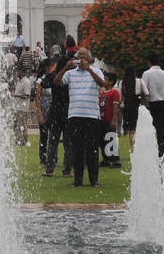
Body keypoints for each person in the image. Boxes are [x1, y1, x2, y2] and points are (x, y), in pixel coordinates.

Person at [58, 47, 108, 187]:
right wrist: (65, 68)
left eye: (84, 56)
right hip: (75, 115)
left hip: (92, 115)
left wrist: (89, 70)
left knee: (92, 149)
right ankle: (77, 180)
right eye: (79, 56)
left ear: (89, 59)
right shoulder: (71, 73)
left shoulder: (96, 71)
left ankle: (94, 180)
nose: (82, 58)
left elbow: (103, 84)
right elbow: (57, 82)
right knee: (77, 149)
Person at [41, 54, 71, 177]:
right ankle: (67, 169)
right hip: (68, 110)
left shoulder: (54, 76)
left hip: (56, 111)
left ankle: (50, 169)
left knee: (53, 142)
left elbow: (44, 83)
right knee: (68, 143)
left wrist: (52, 70)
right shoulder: (70, 77)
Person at [140, 56, 164, 158]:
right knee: (160, 128)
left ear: (149, 62)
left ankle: (149, 149)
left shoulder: (146, 74)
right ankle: (161, 150)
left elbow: (144, 89)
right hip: (161, 102)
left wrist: (144, 104)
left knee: (149, 126)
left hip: (151, 102)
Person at [35, 56, 57, 163]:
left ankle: (53, 158)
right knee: (44, 136)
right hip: (44, 110)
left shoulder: (54, 78)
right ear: (48, 67)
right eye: (53, 65)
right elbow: (37, 98)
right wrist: (39, 114)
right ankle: (43, 159)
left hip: (53, 110)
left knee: (54, 136)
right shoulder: (41, 80)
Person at [98, 72, 121, 168]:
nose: (104, 81)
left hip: (109, 119)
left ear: (111, 82)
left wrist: (114, 119)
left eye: (106, 79)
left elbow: (115, 106)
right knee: (102, 140)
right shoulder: (102, 93)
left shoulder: (114, 92)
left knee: (111, 139)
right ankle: (106, 158)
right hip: (102, 119)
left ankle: (116, 160)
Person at [120, 65, 140, 147]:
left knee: (130, 127)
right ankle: (134, 143)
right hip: (136, 105)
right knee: (134, 127)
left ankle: (131, 144)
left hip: (127, 106)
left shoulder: (122, 82)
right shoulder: (138, 81)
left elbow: (120, 96)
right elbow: (146, 92)